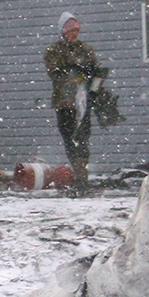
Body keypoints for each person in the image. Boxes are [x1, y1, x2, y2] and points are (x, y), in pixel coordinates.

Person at [43, 13, 109, 186]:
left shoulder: (86, 49)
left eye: (76, 30)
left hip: (83, 102)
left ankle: (82, 176)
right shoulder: (53, 51)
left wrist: (95, 79)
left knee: (83, 139)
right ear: (62, 31)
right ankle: (78, 173)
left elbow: (93, 71)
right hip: (64, 103)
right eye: (70, 30)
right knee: (70, 138)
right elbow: (56, 73)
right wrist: (77, 71)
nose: (74, 34)